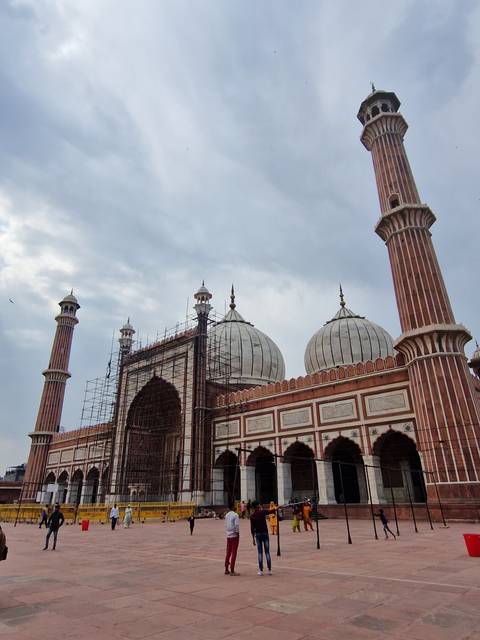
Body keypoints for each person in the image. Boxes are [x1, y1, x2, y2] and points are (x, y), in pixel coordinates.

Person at [250, 501, 276, 576]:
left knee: (260, 553)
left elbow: (252, 529)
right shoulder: (262, 512)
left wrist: (253, 539)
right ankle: (269, 570)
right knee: (267, 552)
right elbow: (271, 511)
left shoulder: (252, 516)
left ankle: (261, 570)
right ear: (258, 506)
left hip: (257, 535)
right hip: (265, 533)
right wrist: (276, 508)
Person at [224, 503, 240, 576]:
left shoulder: (226, 515)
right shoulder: (236, 515)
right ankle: (232, 570)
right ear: (234, 507)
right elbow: (236, 525)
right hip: (234, 535)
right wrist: (237, 533)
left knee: (228, 552)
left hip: (228, 535)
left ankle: (226, 569)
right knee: (234, 552)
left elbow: (226, 525)